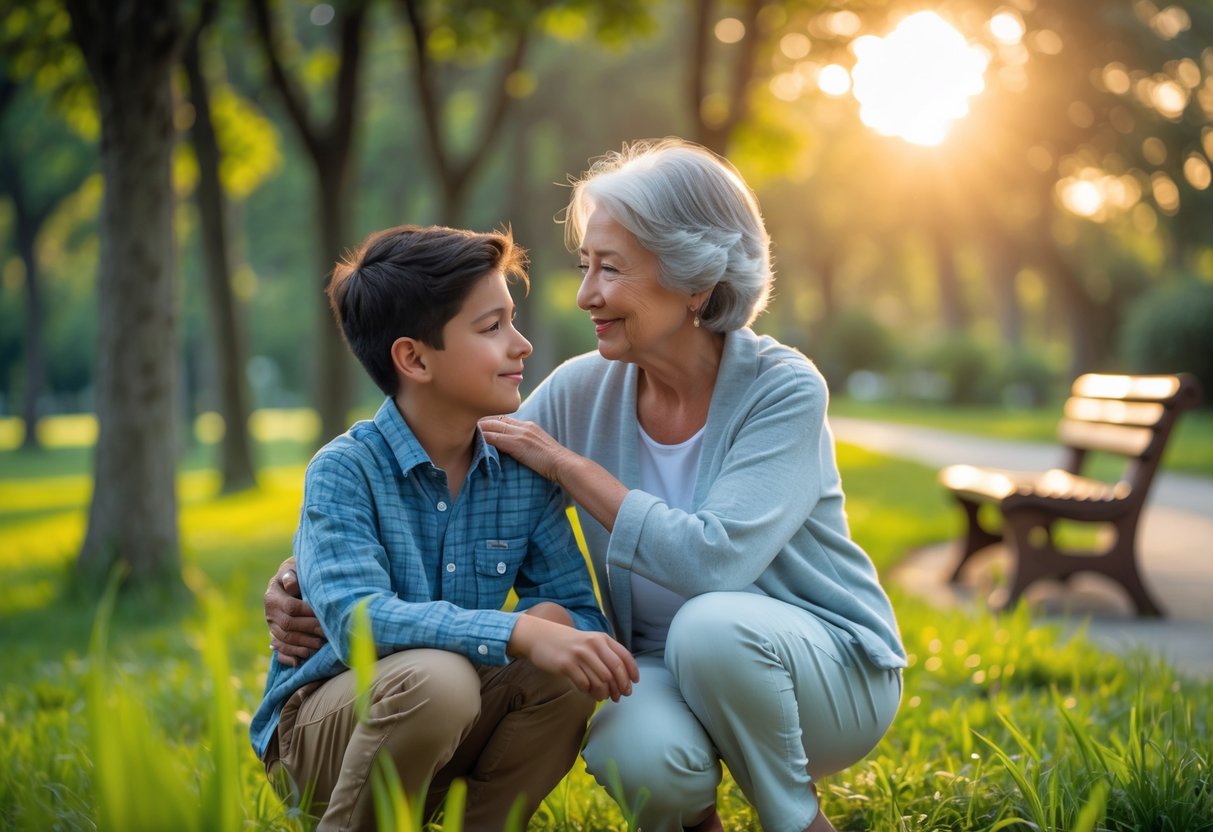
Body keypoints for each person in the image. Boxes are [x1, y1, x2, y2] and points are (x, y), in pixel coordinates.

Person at [267, 139, 905, 832]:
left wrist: (571, 476)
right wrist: (299, 578)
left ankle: (797, 822)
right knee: (629, 739)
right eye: (585, 265)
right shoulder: (577, 392)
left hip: (819, 670)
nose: (584, 294)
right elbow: (457, 449)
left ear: (694, 279)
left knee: (704, 627)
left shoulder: (780, 388)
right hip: (657, 668)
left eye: (610, 268)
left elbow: (709, 562)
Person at [251, 224, 638, 832]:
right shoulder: (345, 470)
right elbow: (359, 620)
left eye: (512, 320)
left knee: (565, 670)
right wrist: (515, 631)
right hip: (326, 734)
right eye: (492, 327)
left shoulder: (520, 474)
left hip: (448, 730)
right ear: (413, 358)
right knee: (441, 680)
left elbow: (581, 617)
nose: (522, 345)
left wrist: (552, 625)